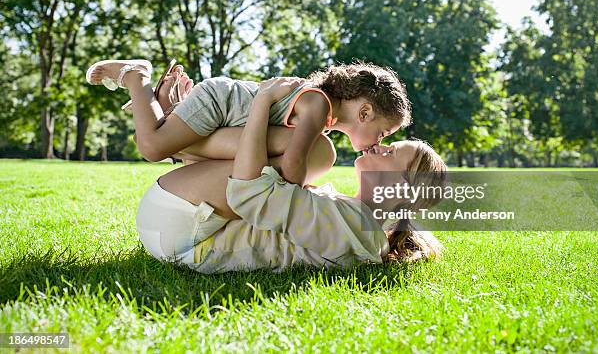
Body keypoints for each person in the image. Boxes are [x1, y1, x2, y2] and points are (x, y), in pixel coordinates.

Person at [132, 76, 447, 273]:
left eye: (392, 152)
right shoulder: (356, 220)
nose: (381, 146)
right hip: (180, 222)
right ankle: (177, 133)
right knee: (311, 153)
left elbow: (249, 193)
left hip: (182, 234)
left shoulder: (358, 228)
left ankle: (175, 133)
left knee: (316, 152)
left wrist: (263, 100)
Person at [86, 59, 411, 185]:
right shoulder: (317, 104)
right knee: (152, 145)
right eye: (383, 132)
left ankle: (171, 105)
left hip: (230, 115)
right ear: (364, 113)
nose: (379, 141)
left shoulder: (321, 114)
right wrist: (305, 191)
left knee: (170, 145)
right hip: (220, 103)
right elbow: (294, 164)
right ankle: (136, 77)